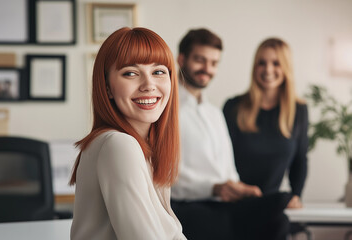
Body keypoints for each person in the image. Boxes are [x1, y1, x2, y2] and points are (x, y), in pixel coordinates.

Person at [171, 28, 292, 240]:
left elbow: (228, 169)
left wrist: (238, 188)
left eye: (214, 63)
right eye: (200, 60)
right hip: (189, 206)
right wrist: (214, 188)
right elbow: (161, 178)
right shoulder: (166, 112)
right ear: (182, 59)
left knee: (279, 217)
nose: (207, 69)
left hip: (225, 204)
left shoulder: (215, 113)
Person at [69, 27, 186, 240]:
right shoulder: (118, 145)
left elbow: (172, 233)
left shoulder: (146, 149)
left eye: (158, 71)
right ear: (107, 88)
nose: (149, 85)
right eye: (130, 73)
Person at [223, 38, 308, 209]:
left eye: (276, 63)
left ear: (286, 68)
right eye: (262, 63)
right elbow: (220, 158)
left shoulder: (298, 110)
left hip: (273, 204)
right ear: (255, 67)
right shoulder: (233, 107)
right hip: (234, 203)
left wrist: (296, 195)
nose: (268, 69)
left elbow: (300, 160)